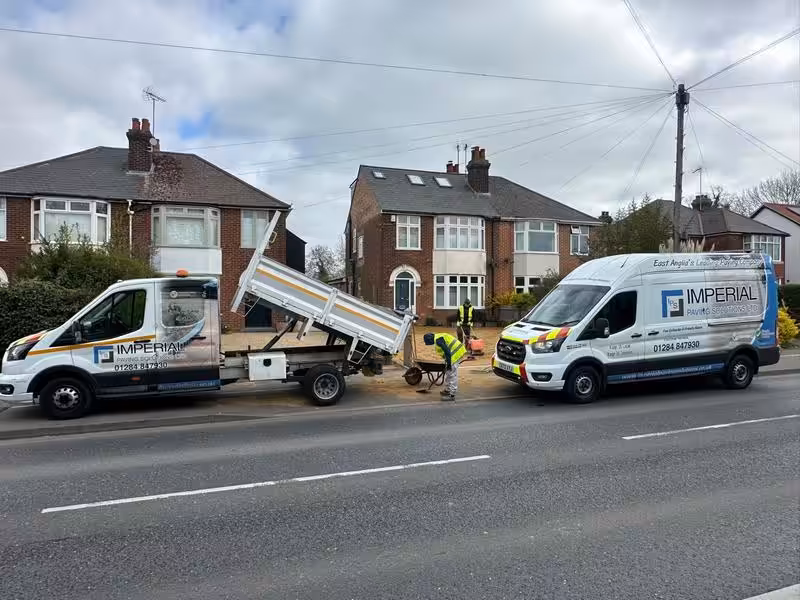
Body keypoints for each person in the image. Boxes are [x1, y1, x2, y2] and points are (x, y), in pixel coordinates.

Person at [423, 332, 467, 401]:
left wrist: (449, 364)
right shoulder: (438, 337)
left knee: (452, 374)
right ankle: (448, 390)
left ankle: (452, 394)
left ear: (430, 340)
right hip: (453, 354)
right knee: (449, 373)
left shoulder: (438, 340)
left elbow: (447, 351)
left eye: (429, 343)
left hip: (456, 353)